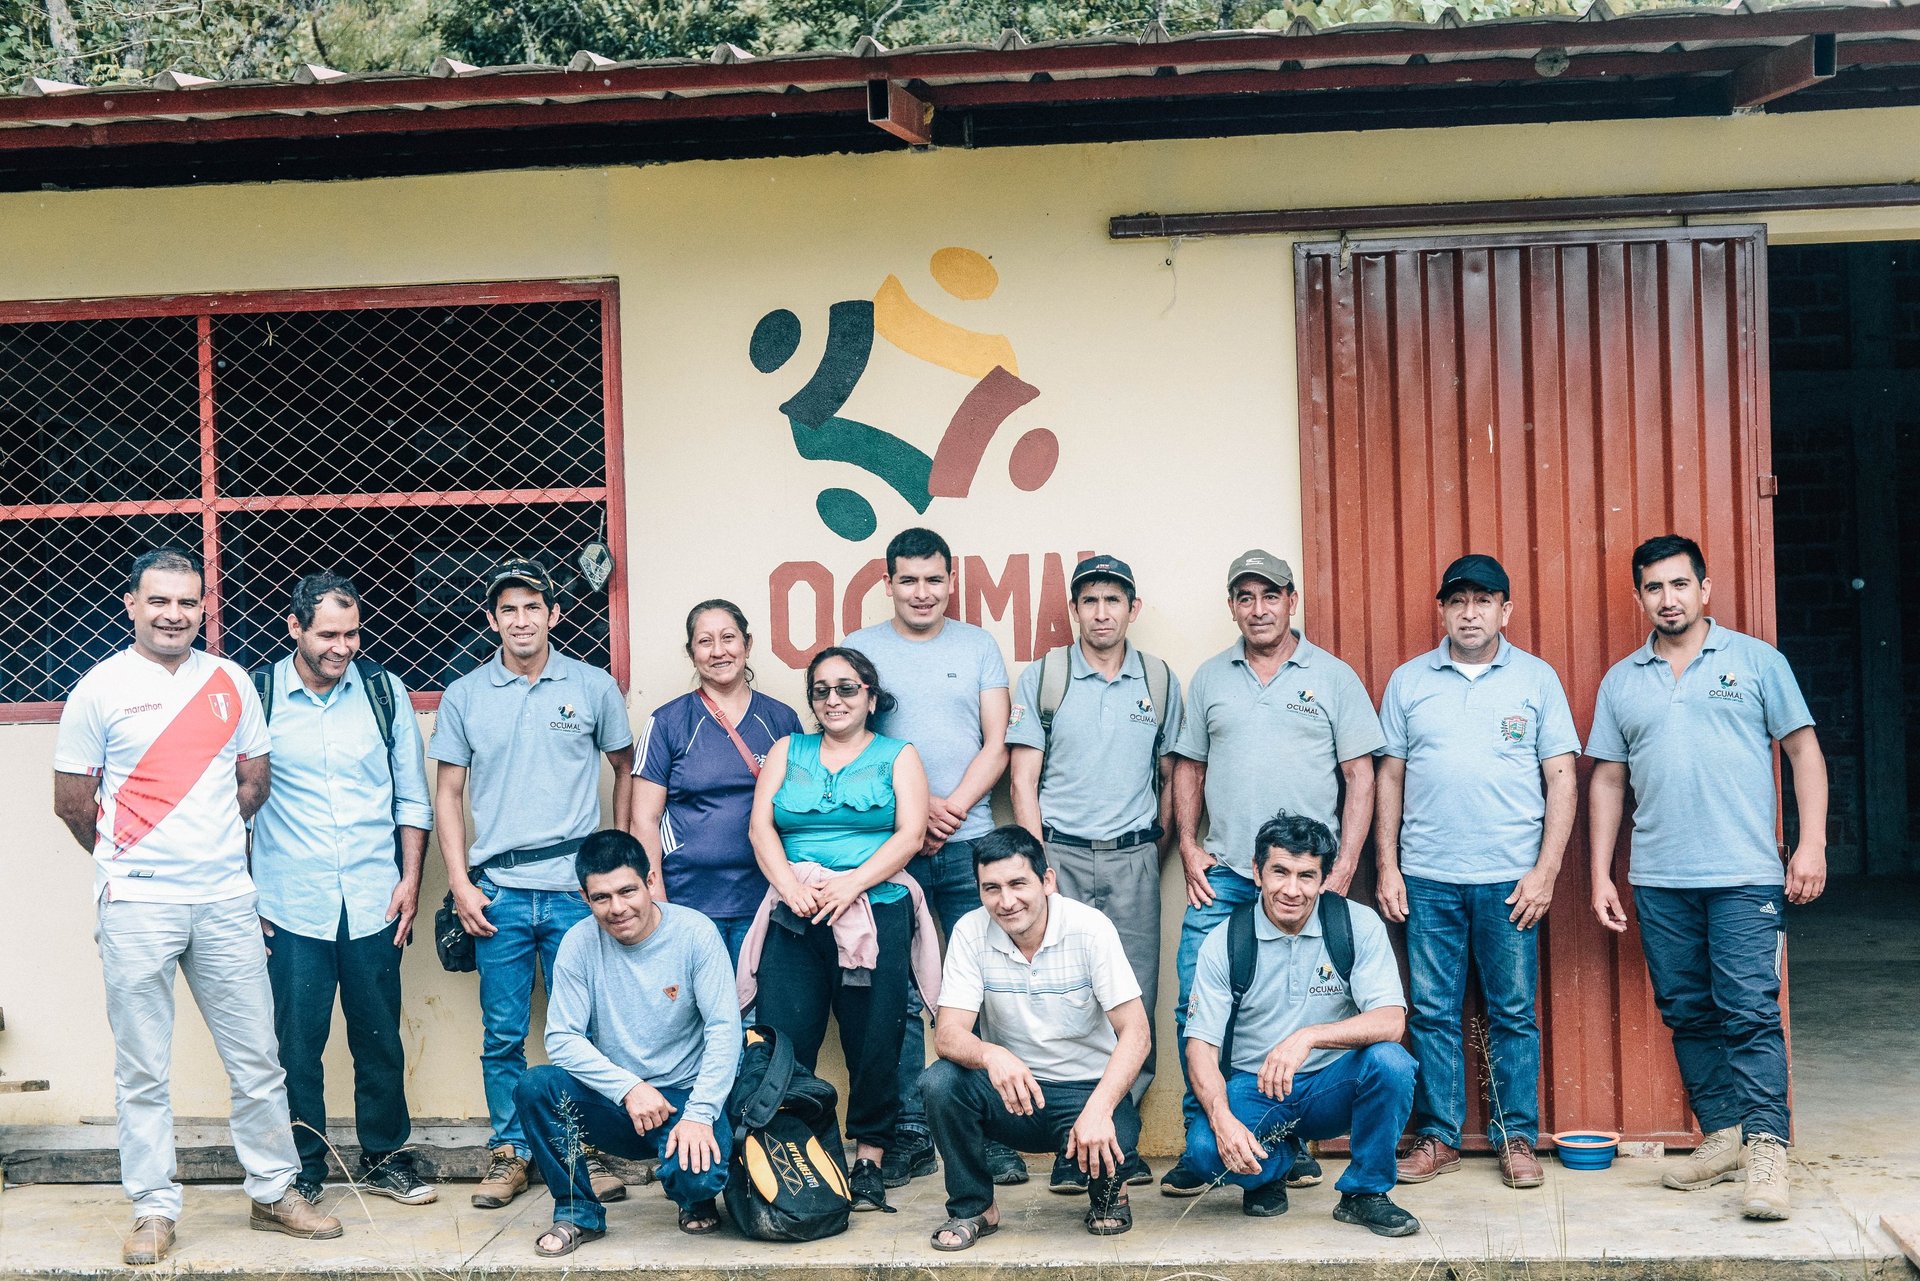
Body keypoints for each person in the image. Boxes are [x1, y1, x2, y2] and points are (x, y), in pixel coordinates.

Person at [51, 547, 340, 1265]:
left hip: (224, 900)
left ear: (203, 607)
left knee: (257, 1058)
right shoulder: (100, 687)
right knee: (142, 1068)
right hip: (138, 903)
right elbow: (71, 802)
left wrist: (208, 851)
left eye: (187, 602)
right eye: (160, 601)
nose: (174, 614)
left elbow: (253, 782)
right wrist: (133, 857)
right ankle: (152, 1207)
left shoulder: (230, 680)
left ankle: (275, 1191)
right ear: (132, 605)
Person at [1587, 534, 1828, 1221]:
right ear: (1640, 596)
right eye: (1654, 587)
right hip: (1660, 879)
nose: (1668, 598)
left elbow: (1803, 752)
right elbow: (1607, 777)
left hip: (1745, 875)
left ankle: (1767, 1151)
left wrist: (1810, 844)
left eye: (1679, 584)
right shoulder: (1622, 680)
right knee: (1687, 1010)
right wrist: (1603, 871)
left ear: (1705, 588)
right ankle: (1722, 1133)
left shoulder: (1757, 662)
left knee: (1750, 1012)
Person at [1162, 549, 1384, 1195]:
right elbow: (1189, 766)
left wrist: (1342, 866)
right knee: (1195, 1008)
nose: (1258, 608)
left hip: (1305, 879)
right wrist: (1188, 844)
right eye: (1245, 596)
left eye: (1270, 595)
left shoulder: (1335, 677)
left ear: (1291, 600)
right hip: (1226, 872)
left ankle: (1295, 1140)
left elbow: (1358, 773)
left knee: (1298, 1004)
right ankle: (1201, 1138)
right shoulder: (1209, 678)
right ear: (1233, 605)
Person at [431, 557, 635, 1210]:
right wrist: (462, 882)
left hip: (580, 890)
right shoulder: (465, 695)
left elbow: (625, 768)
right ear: (492, 620)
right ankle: (511, 1151)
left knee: (587, 1028)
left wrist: (619, 865)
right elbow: (448, 792)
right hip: (502, 892)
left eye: (533, 607)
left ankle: (586, 1145)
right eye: (508, 609)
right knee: (503, 1031)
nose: (522, 619)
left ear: (555, 613)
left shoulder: (593, 685)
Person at [1375, 555, 1580, 1191]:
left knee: (1512, 1010)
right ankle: (1438, 1137)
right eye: (1458, 601)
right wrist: (1388, 866)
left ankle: (1515, 1135)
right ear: (1443, 610)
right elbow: (1391, 777)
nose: (1470, 613)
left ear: (1505, 611)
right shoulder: (1410, 682)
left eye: (1484, 601)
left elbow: (1562, 779)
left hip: (1511, 880)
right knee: (1432, 1010)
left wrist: (1545, 872)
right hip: (1429, 876)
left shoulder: (1537, 680)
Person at [252, 573, 437, 1207]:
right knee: (296, 1047)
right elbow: (234, 805)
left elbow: (413, 798)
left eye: (351, 633)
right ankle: (303, 1167)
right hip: (289, 902)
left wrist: (411, 881)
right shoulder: (258, 695)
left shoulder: (385, 693)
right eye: (327, 634)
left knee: (379, 1037)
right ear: (294, 627)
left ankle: (386, 1157)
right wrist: (247, 898)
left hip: (373, 898)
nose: (342, 646)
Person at [1006, 553, 1181, 1190]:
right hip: (1058, 859)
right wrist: (1037, 865)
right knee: (1062, 998)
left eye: (1114, 600)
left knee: (1131, 996)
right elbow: (1023, 779)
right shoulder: (1046, 677)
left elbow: (1171, 781)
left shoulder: (1159, 681)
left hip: (1135, 857)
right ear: (1074, 610)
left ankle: (1119, 1141)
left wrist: (1146, 849)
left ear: (1132, 609)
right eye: (1090, 600)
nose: (1101, 612)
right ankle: (1065, 1143)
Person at [845, 527, 1012, 1186]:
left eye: (933, 578)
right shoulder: (861, 650)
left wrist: (946, 809)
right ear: (888, 582)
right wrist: (915, 818)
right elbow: (850, 740)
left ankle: (993, 1124)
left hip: (970, 841)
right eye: (908, 579)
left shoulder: (978, 646)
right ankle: (911, 1129)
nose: (922, 591)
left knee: (986, 983)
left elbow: (997, 742)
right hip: (893, 848)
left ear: (951, 580)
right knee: (902, 989)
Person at [743, 645, 933, 1214]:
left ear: (870, 697)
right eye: (822, 690)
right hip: (794, 913)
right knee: (782, 1038)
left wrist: (851, 885)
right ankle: (800, 1157)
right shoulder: (787, 749)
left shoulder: (899, 755)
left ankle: (870, 1160)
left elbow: (910, 835)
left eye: (848, 688)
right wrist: (791, 888)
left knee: (876, 1040)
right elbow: (760, 829)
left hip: (875, 909)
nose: (834, 699)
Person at [1181, 812, 1420, 1238]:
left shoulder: (1354, 924)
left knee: (1392, 1062)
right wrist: (1220, 1116)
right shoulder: (1226, 941)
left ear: (1324, 878)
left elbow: (1390, 1021)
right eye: (1280, 872)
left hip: (1333, 1085)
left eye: (1307, 876)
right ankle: (1272, 1168)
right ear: (1257, 872)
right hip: (1256, 1089)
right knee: (1205, 1151)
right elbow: (1201, 1046)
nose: (1292, 890)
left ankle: (1365, 1193)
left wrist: (1308, 1037)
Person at [920, 826, 1150, 1251]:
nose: (1006, 901)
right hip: (1013, 1096)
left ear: (1046, 881)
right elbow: (948, 1035)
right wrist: (991, 1055)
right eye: (991, 888)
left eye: (1017, 884)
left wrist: (1100, 1108)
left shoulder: (1089, 928)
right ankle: (974, 1207)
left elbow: (1136, 1032)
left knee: (1111, 1154)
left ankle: (1110, 1195)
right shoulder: (972, 932)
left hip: (1086, 1093)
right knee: (940, 1082)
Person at [514, 830, 739, 1255]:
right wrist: (629, 1088)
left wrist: (701, 1113)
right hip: (618, 1104)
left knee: (700, 1177)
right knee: (534, 1087)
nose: (617, 908)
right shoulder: (579, 943)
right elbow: (561, 1037)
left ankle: (692, 1195)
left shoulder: (695, 934)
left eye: (627, 891)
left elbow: (724, 1030)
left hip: (685, 1100)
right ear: (584, 896)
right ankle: (577, 1212)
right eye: (601, 898)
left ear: (650, 882)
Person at [631, 599, 803, 963]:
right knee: (691, 1012)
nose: (719, 651)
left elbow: (800, 811)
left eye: (728, 638)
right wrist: (656, 899)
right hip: (688, 900)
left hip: (764, 897)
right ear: (691, 652)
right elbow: (643, 821)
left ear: (747, 644)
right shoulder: (667, 722)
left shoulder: (781, 720)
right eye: (705, 642)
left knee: (753, 1014)